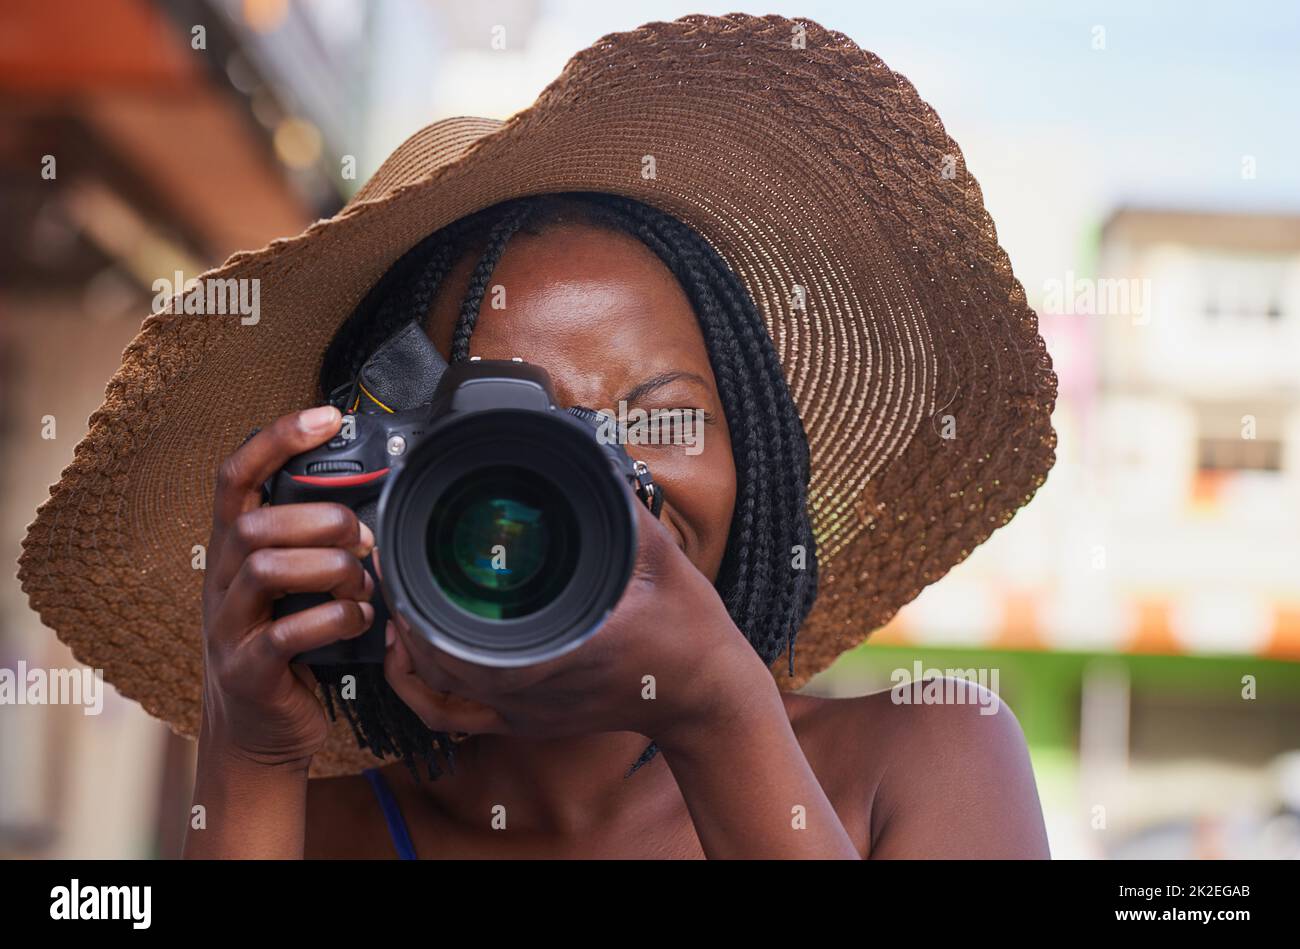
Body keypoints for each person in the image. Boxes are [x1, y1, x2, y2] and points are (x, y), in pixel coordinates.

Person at [19, 15, 1058, 859]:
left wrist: (717, 715)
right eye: (504, 426)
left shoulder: (926, 761)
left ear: (755, 456)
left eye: (658, 414)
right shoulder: (305, 827)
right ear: (361, 490)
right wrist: (249, 750)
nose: (590, 468)